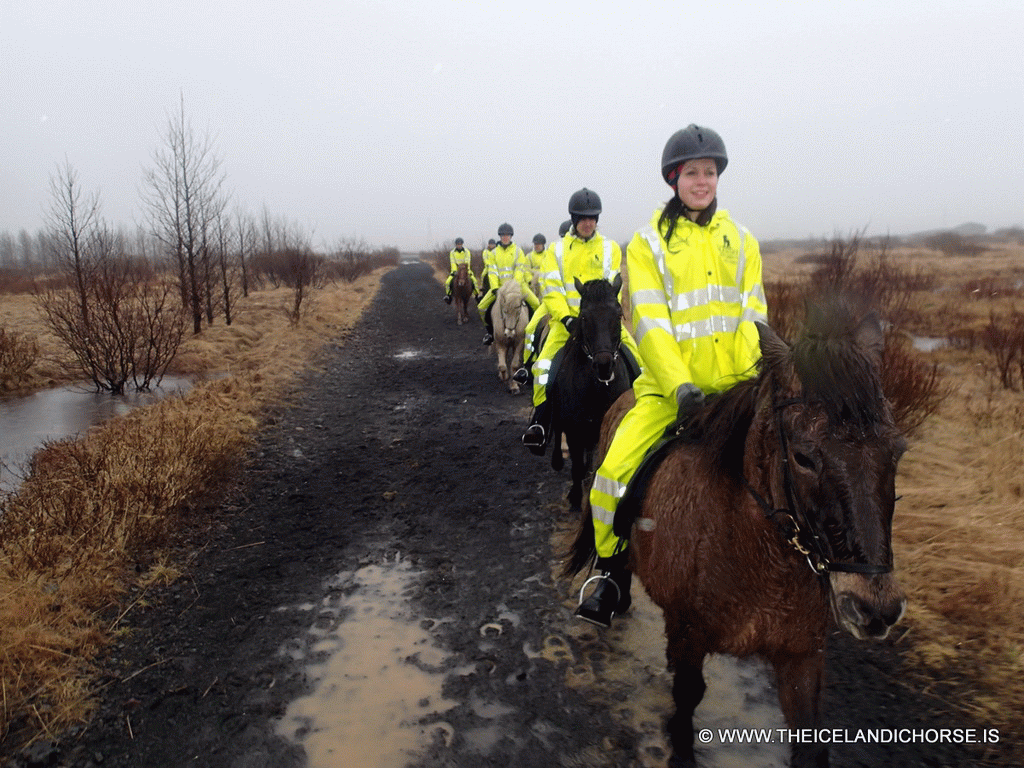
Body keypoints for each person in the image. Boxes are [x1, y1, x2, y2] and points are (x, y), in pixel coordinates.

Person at [576, 125, 768, 628]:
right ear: (674, 178)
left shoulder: (742, 241)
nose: (701, 181)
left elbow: (755, 317)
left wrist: (753, 381)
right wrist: (680, 385)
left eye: (709, 172)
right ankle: (610, 572)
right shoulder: (645, 245)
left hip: (737, 393)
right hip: (670, 394)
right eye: (692, 173)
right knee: (608, 481)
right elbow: (650, 322)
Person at [519, 188, 641, 454]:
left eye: (593, 218)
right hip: (568, 327)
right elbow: (552, 289)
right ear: (574, 219)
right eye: (583, 218)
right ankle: (540, 423)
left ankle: (643, 420)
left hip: (603, 328)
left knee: (640, 362)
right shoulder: (557, 250)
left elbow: (612, 289)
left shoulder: (609, 248)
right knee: (542, 369)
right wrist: (566, 318)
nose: (588, 223)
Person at [478, 223, 539, 346]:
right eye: (503, 235)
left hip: (518, 287)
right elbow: (492, 272)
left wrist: (514, 287)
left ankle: (532, 333)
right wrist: (495, 288)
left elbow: (519, 269)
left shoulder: (518, 251)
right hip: (500, 288)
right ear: (500, 237)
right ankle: (490, 333)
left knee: (536, 304)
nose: (505, 237)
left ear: (511, 236)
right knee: (482, 307)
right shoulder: (493, 253)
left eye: (507, 235)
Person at [443, 237, 478, 303]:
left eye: (460, 244)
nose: (459, 245)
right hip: (456, 270)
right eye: (458, 244)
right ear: (456, 245)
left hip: (465, 270)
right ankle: (448, 296)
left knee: (474, 281)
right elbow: (453, 262)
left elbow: (467, 261)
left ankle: (476, 295)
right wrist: (454, 271)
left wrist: (465, 270)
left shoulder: (467, 251)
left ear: (462, 244)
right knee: (448, 282)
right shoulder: (452, 252)